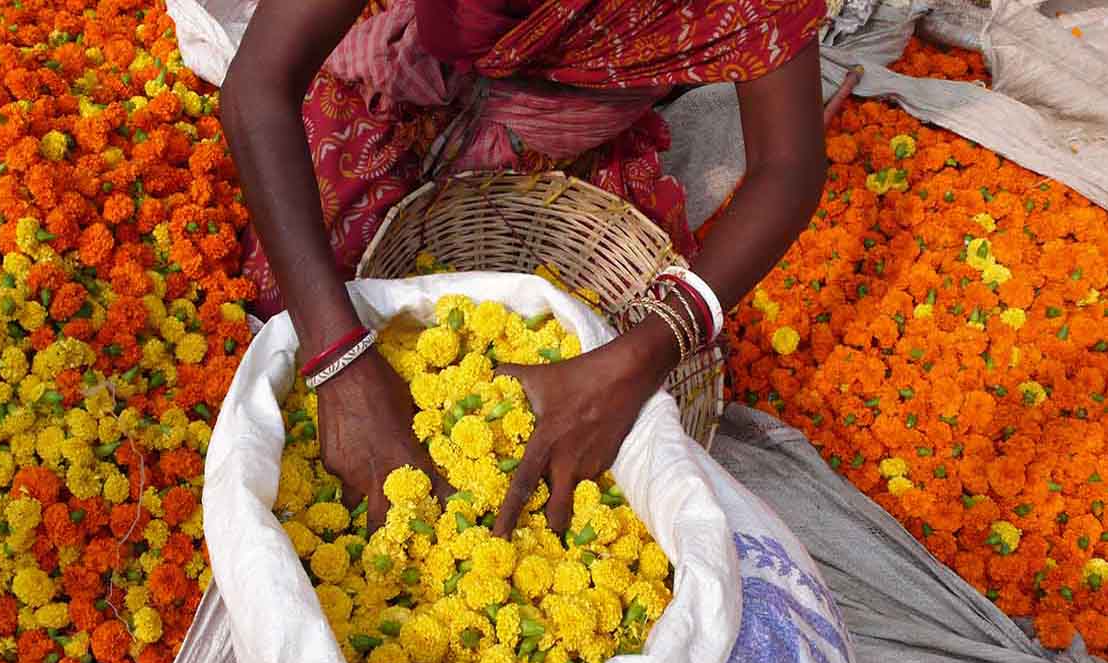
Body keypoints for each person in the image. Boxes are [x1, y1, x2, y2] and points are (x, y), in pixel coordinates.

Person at [220, 0, 858, 536]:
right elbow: (258, 88)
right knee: (283, 292)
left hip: (575, 117)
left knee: (605, 328)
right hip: (428, 67)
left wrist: (640, 356)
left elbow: (790, 167)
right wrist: (340, 363)